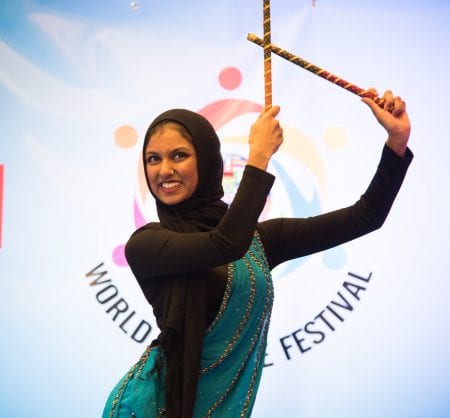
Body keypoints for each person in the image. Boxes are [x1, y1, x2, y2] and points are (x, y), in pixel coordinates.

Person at [102, 89, 412, 418]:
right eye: (153, 159)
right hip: (151, 407)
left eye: (178, 155)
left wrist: (397, 140)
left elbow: (365, 216)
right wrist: (259, 156)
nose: (164, 170)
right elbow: (224, 245)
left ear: (206, 161)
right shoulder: (147, 244)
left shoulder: (259, 240)